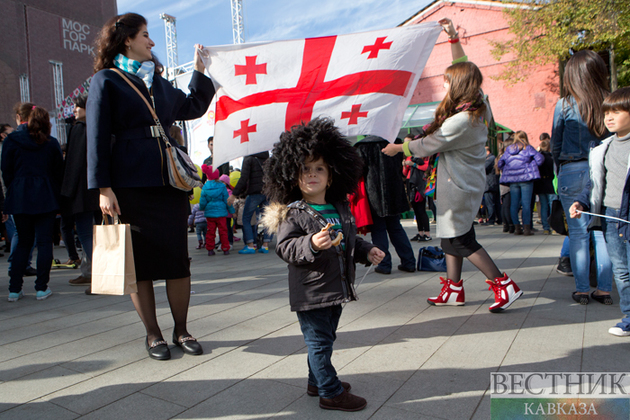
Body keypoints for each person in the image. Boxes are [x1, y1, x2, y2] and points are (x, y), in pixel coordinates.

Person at [87, 13, 215, 360]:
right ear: (127, 39)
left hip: (169, 184)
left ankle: (182, 329)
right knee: (140, 264)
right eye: (146, 34)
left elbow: (193, 106)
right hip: (129, 185)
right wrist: (103, 187)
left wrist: (201, 71)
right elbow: (96, 135)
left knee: (178, 260)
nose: (152, 41)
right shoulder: (106, 80)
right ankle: (153, 334)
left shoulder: (158, 83)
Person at [382, 19, 522, 312]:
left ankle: (504, 286)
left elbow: (427, 145)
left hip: (458, 186)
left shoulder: (461, 120)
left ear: (457, 85)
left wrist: (398, 148)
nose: (444, 84)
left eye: (447, 80)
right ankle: (454, 289)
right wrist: (453, 38)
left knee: (460, 240)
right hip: (458, 183)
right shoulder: (477, 104)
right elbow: (464, 64)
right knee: (450, 238)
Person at [261, 117, 385, 412]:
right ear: (293, 176)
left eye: (320, 169)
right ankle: (329, 392)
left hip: (337, 287)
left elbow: (347, 241)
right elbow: (285, 248)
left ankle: (316, 381)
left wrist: (366, 251)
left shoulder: (339, 207)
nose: (312, 175)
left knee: (326, 339)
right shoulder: (293, 213)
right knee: (318, 342)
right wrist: (312, 245)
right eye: (305, 169)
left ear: (332, 176)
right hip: (311, 292)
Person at [551, 49, 612, 305]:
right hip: (605, 168)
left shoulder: (564, 104)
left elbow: (555, 144)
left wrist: (558, 172)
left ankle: (582, 290)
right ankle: (605, 289)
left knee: (577, 233)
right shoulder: (611, 101)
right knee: (602, 232)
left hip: (572, 168)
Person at [570, 87, 630, 327]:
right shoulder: (602, 148)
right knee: (622, 272)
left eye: (617, 111)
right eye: (607, 112)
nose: (609, 117)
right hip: (609, 216)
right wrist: (581, 202)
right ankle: (628, 319)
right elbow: (593, 183)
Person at [2, 105, 63, 301]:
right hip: (45, 194)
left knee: (23, 242)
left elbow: (6, 170)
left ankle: (14, 289)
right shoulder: (51, 143)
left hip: (20, 195)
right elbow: (58, 173)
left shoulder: (11, 140)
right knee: (45, 242)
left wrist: (15, 187)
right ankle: (41, 287)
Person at [61, 92, 101, 287]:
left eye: (78, 106)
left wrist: (66, 191)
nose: (75, 110)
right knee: (100, 231)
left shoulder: (79, 129)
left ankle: (96, 274)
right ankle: (88, 272)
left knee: (85, 233)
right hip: (100, 188)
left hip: (82, 191)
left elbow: (73, 164)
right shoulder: (101, 125)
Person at [497, 131, 544, 235]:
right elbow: (540, 159)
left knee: (514, 204)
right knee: (526, 204)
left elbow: (500, 163)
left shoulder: (508, 150)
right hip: (526, 179)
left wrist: (508, 169)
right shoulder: (528, 148)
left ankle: (517, 227)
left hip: (513, 181)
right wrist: (532, 164)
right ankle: (527, 228)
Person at [231, 151, 273, 254]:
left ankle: (250, 245)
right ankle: (265, 245)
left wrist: (234, 194)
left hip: (254, 193)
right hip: (268, 192)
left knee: (246, 218)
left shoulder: (249, 158)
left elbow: (243, 178)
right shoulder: (268, 158)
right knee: (267, 218)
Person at [403, 135, 432, 241]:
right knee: (416, 209)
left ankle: (427, 234)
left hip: (419, 184)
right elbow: (404, 173)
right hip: (411, 183)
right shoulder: (408, 156)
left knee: (421, 209)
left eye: (408, 142)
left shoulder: (422, 154)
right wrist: (405, 165)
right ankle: (420, 232)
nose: (406, 145)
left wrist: (413, 164)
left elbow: (426, 167)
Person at [199, 165, 233, 256]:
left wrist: (202, 208)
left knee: (210, 231)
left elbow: (202, 201)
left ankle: (210, 249)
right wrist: (231, 210)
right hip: (221, 213)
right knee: (223, 231)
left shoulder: (205, 187)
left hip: (210, 213)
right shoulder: (222, 186)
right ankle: (225, 248)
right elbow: (227, 200)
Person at [534, 137, 556, 235]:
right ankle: (554, 226)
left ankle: (546, 227)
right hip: (550, 183)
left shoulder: (538, 158)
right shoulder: (552, 157)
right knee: (552, 205)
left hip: (541, 183)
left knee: (543, 206)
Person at [483, 146, 501, 226]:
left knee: (490, 203)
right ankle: (499, 219)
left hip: (489, 184)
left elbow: (483, 168)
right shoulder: (493, 158)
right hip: (493, 184)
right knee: (496, 203)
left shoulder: (490, 159)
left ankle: (491, 220)